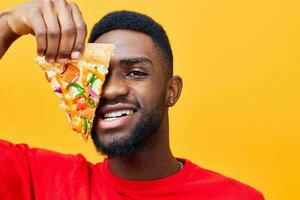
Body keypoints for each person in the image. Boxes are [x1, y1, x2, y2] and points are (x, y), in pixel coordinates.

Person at [0, 0, 264, 199]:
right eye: (98, 75)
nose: (111, 90)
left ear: (171, 91)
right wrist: (8, 24)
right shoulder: (41, 181)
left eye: (136, 73)